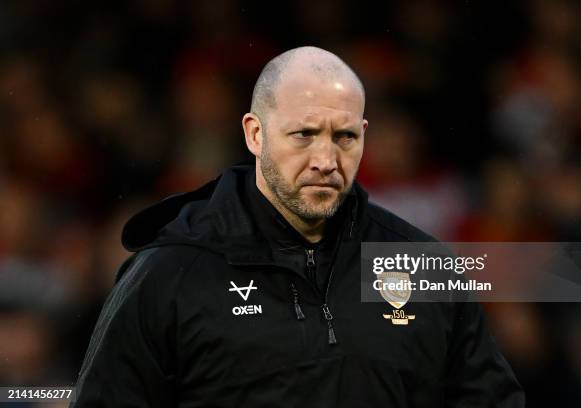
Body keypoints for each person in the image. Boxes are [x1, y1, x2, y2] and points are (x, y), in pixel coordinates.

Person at [72, 46, 524, 407]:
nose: (326, 161)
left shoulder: (423, 265)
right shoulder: (171, 273)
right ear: (255, 134)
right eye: (304, 134)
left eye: (344, 136)